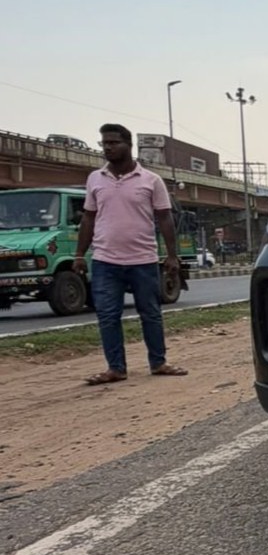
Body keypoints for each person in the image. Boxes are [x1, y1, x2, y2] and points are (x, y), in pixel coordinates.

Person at [73, 123, 189, 385]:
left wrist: (172, 255)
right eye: (104, 143)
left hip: (143, 260)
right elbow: (88, 219)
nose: (108, 148)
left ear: (129, 145)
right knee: (107, 315)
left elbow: (164, 218)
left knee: (150, 312)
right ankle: (116, 368)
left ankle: (158, 362)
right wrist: (79, 254)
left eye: (114, 143)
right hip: (105, 260)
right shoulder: (95, 179)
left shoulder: (151, 180)